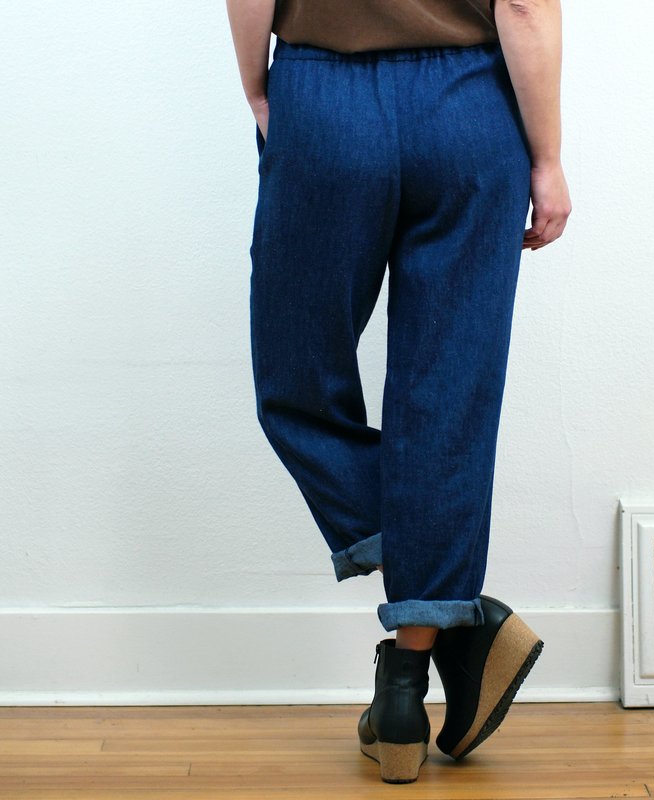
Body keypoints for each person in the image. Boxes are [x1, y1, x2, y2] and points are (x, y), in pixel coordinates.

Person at [226, 0, 571, 784]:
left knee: (295, 374)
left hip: (323, 100)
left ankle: (414, 677)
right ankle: (409, 682)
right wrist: (547, 158)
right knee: (446, 392)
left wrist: (257, 90)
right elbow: (523, 5)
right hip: (471, 108)